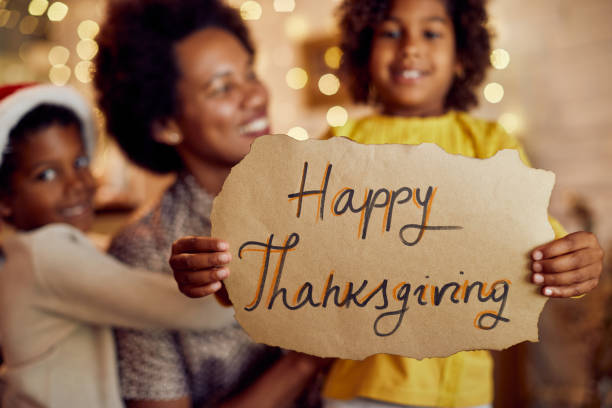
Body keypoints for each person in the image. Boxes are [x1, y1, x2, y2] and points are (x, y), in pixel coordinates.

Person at [170, 0, 604, 407]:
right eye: (391, 33)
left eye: (431, 34)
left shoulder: (491, 146)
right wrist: (223, 274)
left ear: (461, 56)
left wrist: (573, 260)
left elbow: (536, 242)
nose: (411, 47)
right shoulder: (341, 145)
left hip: (461, 392)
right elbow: (287, 255)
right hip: (357, 388)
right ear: (364, 49)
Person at [93, 1, 327, 407]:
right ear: (165, 124)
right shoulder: (144, 252)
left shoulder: (317, 195)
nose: (253, 96)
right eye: (222, 87)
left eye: (249, 74)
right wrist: (305, 363)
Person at [0, 83, 239, 408]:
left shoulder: (29, 259)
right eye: (46, 175)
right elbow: (189, 311)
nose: (77, 183)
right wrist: (258, 280)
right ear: (4, 200)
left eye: (81, 161)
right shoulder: (44, 255)